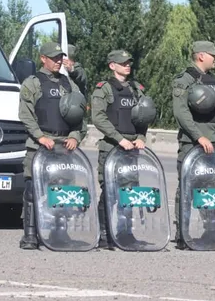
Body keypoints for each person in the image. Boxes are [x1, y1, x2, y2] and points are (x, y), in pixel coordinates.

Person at [17, 42, 86, 250]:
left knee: (63, 191)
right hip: (40, 144)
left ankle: (60, 232)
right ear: (43, 59)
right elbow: (25, 114)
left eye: (60, 58)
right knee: (32, 190)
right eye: (54, 58)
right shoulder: (32, 83)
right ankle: (30, 235)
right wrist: (40, 137)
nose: (58, 61)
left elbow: (80, 112)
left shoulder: (68, 84)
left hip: (64, 145)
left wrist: (75, 136)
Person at [172, 41, 215, 249]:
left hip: (213, 140)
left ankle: (211, 233)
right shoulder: (184, 80)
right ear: (200, 56)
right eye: (212, 55)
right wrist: (199, 137)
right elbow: (181, 113)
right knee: (187, 187)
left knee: (209, 187)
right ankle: (182, 235)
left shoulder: (213, 81)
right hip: (193, 142)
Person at [91, 49, 148, 249]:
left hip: (132, 149)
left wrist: (141, 137)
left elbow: (144, 114)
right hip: (112, 148)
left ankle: (126, 233)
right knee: (109, 192)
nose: (127, 65)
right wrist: (119, 138)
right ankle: (104, 235)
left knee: (129, 193)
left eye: (129, 63)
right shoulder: (104, 89)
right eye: (123, 63)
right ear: (112, 65)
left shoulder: (136, 88)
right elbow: (98, 117)